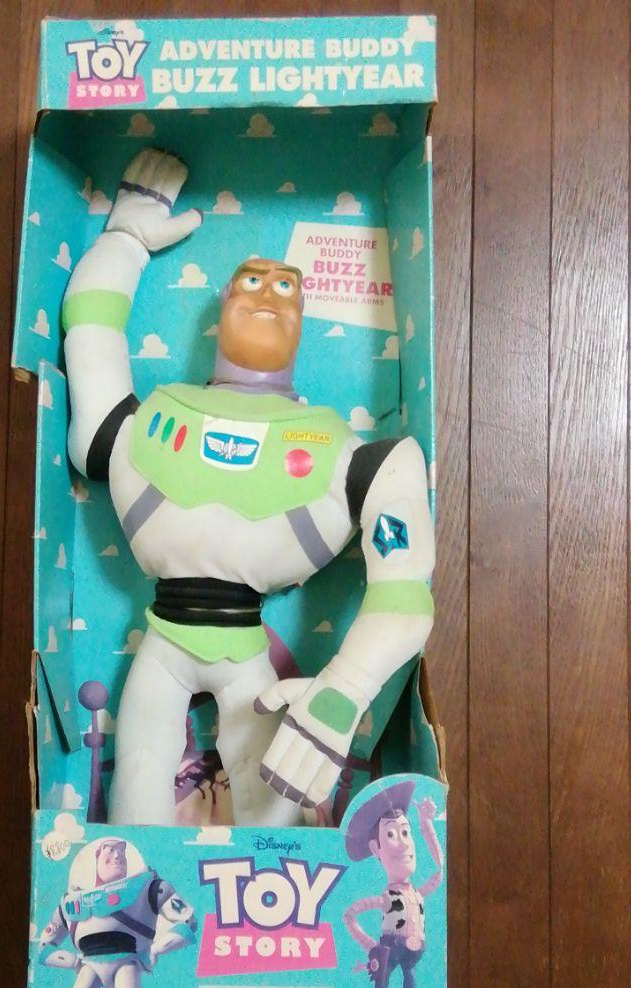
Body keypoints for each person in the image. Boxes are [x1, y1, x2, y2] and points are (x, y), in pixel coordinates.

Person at [62, 148, 435, 824]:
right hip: (163, 646)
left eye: (286, 287)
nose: (266, 294)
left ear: (304, 319)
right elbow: (90, 335)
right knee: (137, 785)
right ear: (225, 303)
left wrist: (345, 689)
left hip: (249, 665)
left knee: (273, 813)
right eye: (251, 281)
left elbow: (406, 593)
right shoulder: (146, 425)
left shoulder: (348, 456)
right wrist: (125, 241)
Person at [38, 837, 195, 988]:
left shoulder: (148, 887)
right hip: (89, 962)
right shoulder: (71, 902)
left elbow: (188, 920)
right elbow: (45, 947)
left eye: (121, 851)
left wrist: (158, 948)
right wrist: (71, 961)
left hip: (127, 960)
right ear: (96, 856)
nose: (117, 856)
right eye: (110, 850)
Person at [342, 779, 442, 988]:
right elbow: (349, 915)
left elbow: (439, 871)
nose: (404, 843)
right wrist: (372, 946)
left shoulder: (418, 893)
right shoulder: (386, 897)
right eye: (391, 835)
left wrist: (426, 823)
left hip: (412, 953)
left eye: (406, 832)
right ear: (377, 850)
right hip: (388, 950)